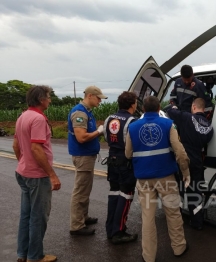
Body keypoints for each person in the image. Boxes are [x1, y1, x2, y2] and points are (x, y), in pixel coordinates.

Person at [125, 96, 190, 262]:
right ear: (159, 107)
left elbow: (128, 154)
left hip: (144, 179)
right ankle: (179, 247)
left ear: (144, 109)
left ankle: (148, 256)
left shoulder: (132, 127)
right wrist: (185, 171)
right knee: (173, 213)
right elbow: (180, 152)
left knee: (147, 217)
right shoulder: (168, 124)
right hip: (166, 176)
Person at [13, 85, 61, 262]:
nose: (50, 100)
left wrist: (24, 164)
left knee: (26, 215)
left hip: (24, 173)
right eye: (48, 97)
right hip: (37, 176)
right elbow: (36, 148)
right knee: (38, 217)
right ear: (41, 100)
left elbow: (16, 146)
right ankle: (35, 256)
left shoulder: (23, 116)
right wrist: (52, 174)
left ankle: (22, 254)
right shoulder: (38, 119)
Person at [167, 98, 213, 230]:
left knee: (180, 190)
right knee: (195, 192)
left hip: (184, 160)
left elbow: (171, 111)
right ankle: (197, 222)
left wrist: (174, 106)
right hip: (198, 161)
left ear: (193, 107)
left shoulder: (186, 117)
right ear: (203, 109)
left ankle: (178, 221)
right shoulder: (209, 127)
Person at [68, 85, 107, 236]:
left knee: (85, 188)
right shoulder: (80, 113)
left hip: (87, 156)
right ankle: (77, 226)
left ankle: (83, 217)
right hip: (82, 156)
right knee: (80, 191)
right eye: (98, 98)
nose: (100, 101)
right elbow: (81, 137)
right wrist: (98, 131)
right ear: (90, 96)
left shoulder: (87, 112)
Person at [102, 91, 138, 244]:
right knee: (126, 195)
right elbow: (133, 144)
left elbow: (105, 137)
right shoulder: (132, 121)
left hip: (112, 160)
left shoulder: (109, 119)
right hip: (125, 162)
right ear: (132, 104)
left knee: (114, 194)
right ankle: (119, 232)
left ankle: (110, 229)